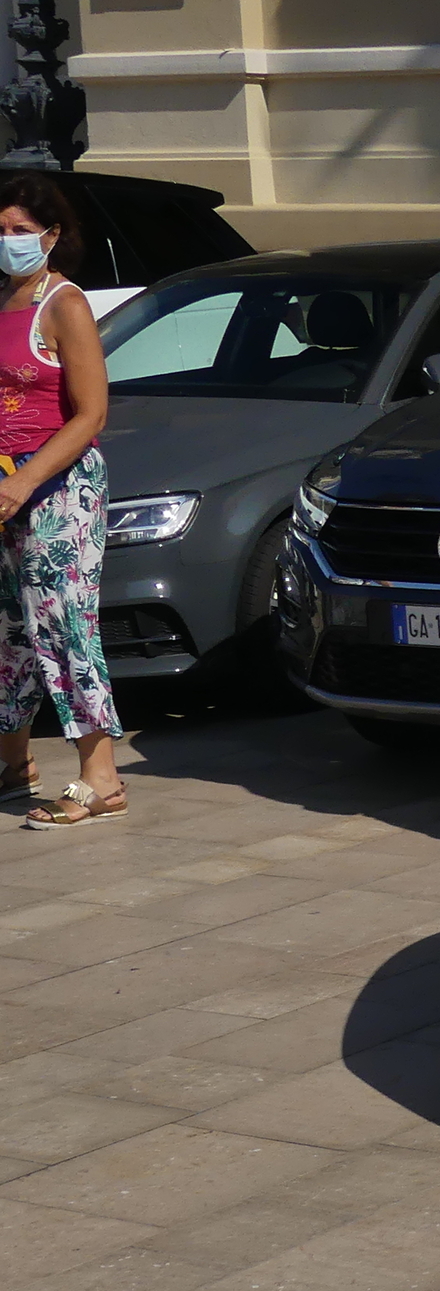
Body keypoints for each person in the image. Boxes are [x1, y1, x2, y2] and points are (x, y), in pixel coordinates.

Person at [0, 174, 117, 828]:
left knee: (61, 621)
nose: (7, 240)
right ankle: (13, 760)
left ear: (51, 236)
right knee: (6, 630)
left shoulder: (63, 304)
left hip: (57, 485)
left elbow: (91, 413)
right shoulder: (0, 300)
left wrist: (25, 480)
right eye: (0, 229)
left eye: (20, 230)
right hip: (4, 485)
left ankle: (101, 776)